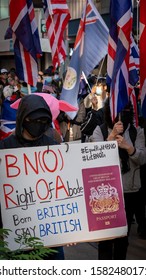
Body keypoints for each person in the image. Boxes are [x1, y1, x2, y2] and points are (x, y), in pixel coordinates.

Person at [0, 94, 64, 260]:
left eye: (44, 121)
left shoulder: (54, 147)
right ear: (23, 118)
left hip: (51, 238)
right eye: (34, 120)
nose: (39, 125)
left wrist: (71, 233)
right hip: (16, 237)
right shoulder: (4, 149)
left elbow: (64, 190)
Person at [91, 98, 146, 259]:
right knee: (106, 240)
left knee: (123, 239)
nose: (122, 116)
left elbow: (142, 158)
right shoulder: (99, 131)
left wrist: (129, 148)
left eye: (126, 111)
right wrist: (111, 137)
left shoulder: (137, 132)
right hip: (106, 193)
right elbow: (94, 157)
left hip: (130, 192)